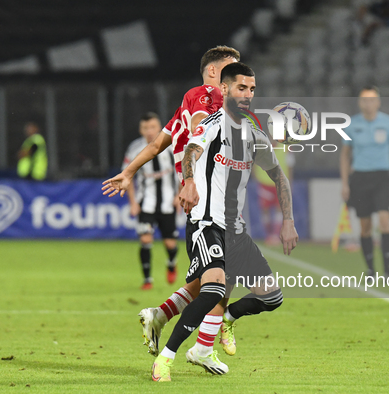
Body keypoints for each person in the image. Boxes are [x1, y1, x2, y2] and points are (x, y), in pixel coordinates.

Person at [150, 62, 297, 381]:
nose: (248, 94)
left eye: (253, 89)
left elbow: (279, 177)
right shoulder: (213, 125)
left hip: (237, 231)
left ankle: (226, 319)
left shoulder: (254, 135)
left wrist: (288, 220)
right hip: (206, 224)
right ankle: (166, 358)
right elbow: (190, 151)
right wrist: (188, 181)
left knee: (271, 296)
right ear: (225, 89)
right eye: (242, 87)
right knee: (213, 286)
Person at [102, 45, 239, 353]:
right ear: (215, 72)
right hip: (204, 199)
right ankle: (200, 349)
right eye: (233, 69)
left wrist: (128, 172)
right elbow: (198, 133)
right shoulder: (205, 95)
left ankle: (159, 315)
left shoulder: (193, 104)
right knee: (219, 277)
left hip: (217, 198)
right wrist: (190, 180)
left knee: (211, 279)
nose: (239, 76)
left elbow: (155, 147)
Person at [340, 86, 389, 278]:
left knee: (384, 220)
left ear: (378, 102)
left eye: (372, 100)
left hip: (382, 178)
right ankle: (371, 269)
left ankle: (388, 269)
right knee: (365, 226)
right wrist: (345, 183)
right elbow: (345, 156)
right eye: (364, 100)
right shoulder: (351, 125)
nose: (368, 103)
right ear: (359, 102)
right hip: (360, 179)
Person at [121, 112, 179, 290]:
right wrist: (133, 203)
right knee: (145, 239)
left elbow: (184, 169)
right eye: (145, 128)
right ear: (141, 129)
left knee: (170, 243)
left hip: (168, 202)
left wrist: (180, 194)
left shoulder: (171, 144)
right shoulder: (134, 148)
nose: (149, 131)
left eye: (153, 127)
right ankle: (147, 280)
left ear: (159, 126)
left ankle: (171, 263)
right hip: (146, 202)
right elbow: (127, 175)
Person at [254, 141, 294, 244]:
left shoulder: (286, 147)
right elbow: (253, 162)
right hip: (264, 182)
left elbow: (290, 164)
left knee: (279, 209)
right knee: (265, 210)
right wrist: (256, 178)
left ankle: (275, 236)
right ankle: (268, 235)